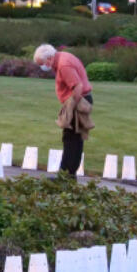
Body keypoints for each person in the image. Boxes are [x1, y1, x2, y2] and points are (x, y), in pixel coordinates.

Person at [33, 43, 93, 177]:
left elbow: (77, 86)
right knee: (73, 138)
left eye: (41, 63)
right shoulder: (63, 57)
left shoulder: (63, 65)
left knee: (71, 138)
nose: (42, 67)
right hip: (78, 100)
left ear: (49, 58)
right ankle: (67, 173)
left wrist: (70, 108)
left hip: (78, 101)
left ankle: (67, 174)